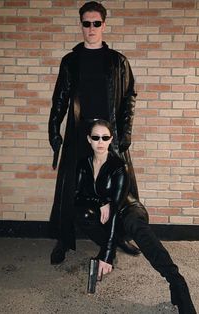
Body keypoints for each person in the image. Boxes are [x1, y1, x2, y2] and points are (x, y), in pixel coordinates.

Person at [48, 1, 143, 264]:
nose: (91, 28)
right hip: (79, 134)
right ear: (81, 26)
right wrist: (54, 131)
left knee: (119, 190)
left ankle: (120, 235)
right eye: (86, 24)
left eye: (96, 23)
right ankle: (63, 240)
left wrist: (125, 133)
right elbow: (60, 100)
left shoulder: (118, 62)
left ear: (103, 25)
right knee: (70, 189)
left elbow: (129, 99)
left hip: (109, 135)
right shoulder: (71, 61)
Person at [75, 119, 196, 314]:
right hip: (107, 209)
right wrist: (100, 202)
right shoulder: (84, 164)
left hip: (128, 209)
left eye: (105, 137)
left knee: (139, 230)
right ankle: (116, 242)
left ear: (111, 139)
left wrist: (107, 255)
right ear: (89, 139)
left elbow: (115, 209)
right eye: (95, 137)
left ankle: (177, 282)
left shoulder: (119, 166)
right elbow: (78, 195)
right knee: (81, 214)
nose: (100, 142)